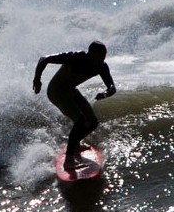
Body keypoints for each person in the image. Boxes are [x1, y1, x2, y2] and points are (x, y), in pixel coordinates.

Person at [33, 41, 116, 170]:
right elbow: (44, 59)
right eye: (99, 56)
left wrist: (105, 94)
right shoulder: (75, 57)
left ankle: (75, 144)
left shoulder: (101, 67)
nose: (102, 59)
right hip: (56, 91)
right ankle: (69, 160)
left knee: (93, 122)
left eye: (104, 56)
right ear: (90, 54)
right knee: (80, 121)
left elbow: (112, 87)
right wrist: (37, 79)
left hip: (71, 91)